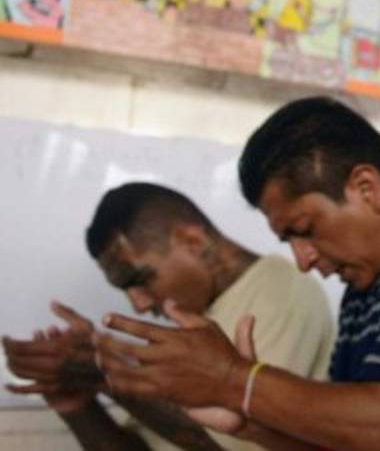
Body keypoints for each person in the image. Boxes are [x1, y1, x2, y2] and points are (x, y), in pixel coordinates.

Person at [92, 97, 380, 451]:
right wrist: (252, 424)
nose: (304, 260)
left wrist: (235, 380)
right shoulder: (367, 282)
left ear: (366, 188)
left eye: (304, 230)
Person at [2, 182, 335, 451]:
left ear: (193, 241)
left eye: (141, 280)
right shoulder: (195, 325)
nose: (138, 305)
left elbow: (235, 446)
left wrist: (108, 373)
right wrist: (78, 405)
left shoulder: (281, 292)